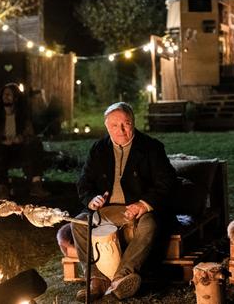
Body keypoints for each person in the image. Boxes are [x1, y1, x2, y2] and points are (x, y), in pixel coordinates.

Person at [70, 102, 178, 301]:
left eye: (126, 124)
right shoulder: (99, 149)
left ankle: (122, 278)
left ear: (133, 123)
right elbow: (84, 182)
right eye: (114, 125)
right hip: (108, 211)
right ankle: (96, 278)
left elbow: (168, 182)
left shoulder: (151, 147)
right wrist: (91, 198)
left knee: (150, 225)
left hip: (139, 211)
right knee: (78, 224)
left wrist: (143, 204)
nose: (120, 130)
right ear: (106, 126)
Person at [0, 82, 49, 198]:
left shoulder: (22, 115)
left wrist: (21, 138)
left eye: (9, 94)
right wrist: (2, 141)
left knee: (35, 145)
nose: (6, 97)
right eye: (4, 94)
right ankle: (3, 187)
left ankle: (36, 184)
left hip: (19, 148)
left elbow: (30, 133)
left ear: (15, 97)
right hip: (1, 147)